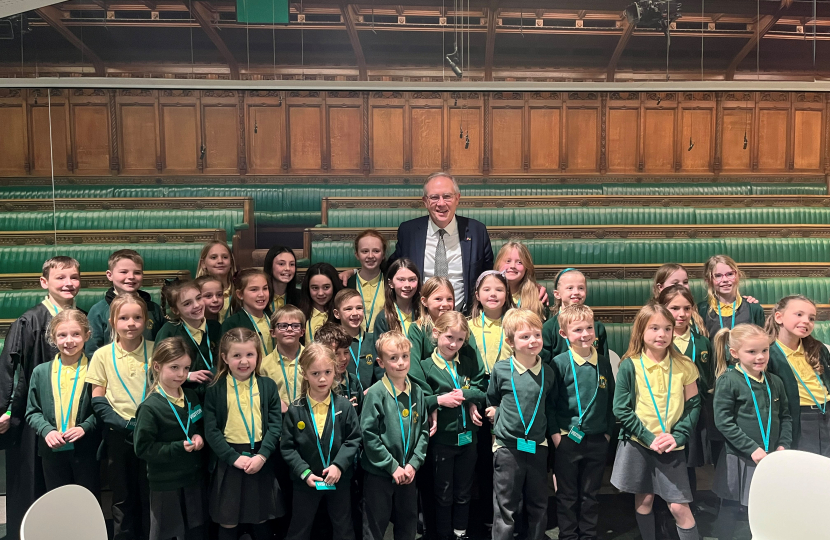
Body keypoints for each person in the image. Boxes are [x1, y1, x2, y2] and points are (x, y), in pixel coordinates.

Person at [0, 256, 81, 540]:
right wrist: (5, 410)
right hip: (35, 419)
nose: (68, 283)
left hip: (73, 420)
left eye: (73, 277)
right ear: (44, 282)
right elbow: (9, 368)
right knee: (31, 481)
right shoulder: (30, 320)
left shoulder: (78, 319)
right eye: (61, 278)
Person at [611, 304, 701, 540]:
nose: (661, 334)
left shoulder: (684, 365)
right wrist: (649, 438)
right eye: (654, 328)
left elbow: (693, 406)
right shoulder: (630, 364)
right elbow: (621, 408)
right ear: (641, 331)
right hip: (640, 443)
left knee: (679, 506)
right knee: (644, 498)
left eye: (667, 329)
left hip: (672, 445)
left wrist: (678, 436)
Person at [346, 172, 493, 312]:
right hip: (418, 316)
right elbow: (393, 267)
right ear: (425, 201)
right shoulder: (409, 231)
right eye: (434, 197)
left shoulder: (476, 231)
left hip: (463, 316)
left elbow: (488, 274)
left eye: (447, 196)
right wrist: (355, 272)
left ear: (457, 198)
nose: (441, 203)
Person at [711, 324, 792, 540]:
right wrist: (751, 448)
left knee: (765, 508)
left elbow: (785, 416)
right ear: (735, 353)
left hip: (771, 456)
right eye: (752, 352)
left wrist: (783, 445)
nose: (760, 357)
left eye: (764, 350)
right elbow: (724, 422)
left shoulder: (775, 382)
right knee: (731, 506)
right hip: (739, 457)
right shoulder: (728, 380)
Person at [203, 328, 283, 540]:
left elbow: (275, 425)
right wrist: (233, 458)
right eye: (236, 355)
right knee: (227, 519)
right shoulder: (215, 388)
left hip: (260, 458)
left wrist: (262, 455)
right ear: (224, 358)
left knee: (261, 517)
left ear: (258, 356)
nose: (244, 361)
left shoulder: (268, 386)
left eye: (250, 354)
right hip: (229, 460)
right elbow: (211, 430)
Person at [88, 293, 155, 540]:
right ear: (113, 321)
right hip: (118, 435)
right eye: (124, 318)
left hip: (150, 435)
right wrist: (123, 422)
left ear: (146, 321)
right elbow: (98, 397)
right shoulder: (102, 355)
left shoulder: (156, 350)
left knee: (150, 494)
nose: (131, 323)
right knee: (123, 496)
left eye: (137, 317)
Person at [487, 309, 557, 540]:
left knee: (538, 504)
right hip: (507, 448)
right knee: (505, 506)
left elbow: (550, 405)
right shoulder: (501, 370)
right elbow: (493, 399)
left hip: (537, 446)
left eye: (537, 335)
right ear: (510, 341)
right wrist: (495, 415)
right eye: (524, 336)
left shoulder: (548, 372)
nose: (533, 341)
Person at [280, 343, 362, 540]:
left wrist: (339, 466)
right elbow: (288, 447)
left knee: (343, 527)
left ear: (335, 370)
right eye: (315, 373)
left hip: (338, 479)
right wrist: (304, 472)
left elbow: (354, 439)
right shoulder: (295, 409)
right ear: (305, 374)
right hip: (306, 481)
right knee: (299, 528)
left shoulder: (344, 405)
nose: (323, 378)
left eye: (327, 371)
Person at [420, 311, 486, 540]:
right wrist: (440, 400)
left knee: (464, 492)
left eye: (459, 339)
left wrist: (467, 396)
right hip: (442, 441)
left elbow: (481, 390)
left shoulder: (466, 363)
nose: (454, 344)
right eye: (449, 337)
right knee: (443, 493)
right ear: (436, 334)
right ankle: (444, 533)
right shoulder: (426, 366)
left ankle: (460, 532)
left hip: (469, 439)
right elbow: (420, 400)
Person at [551, 305, 615, 540]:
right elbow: (551, 403)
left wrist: (608, 432)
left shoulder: (604, 363)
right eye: (577, 329)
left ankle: (588, 534)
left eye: (589, 327)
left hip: (598, 439)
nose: (585, 333)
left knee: (591, 493)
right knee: (567, 494)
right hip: (568, 438)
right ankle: (568, 535)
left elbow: (610, 401)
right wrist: (556, 434)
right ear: (564, 334)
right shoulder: (559, 363)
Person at [134, 337, 207, 540]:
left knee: (195, 531)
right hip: (166, 484)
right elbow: (143, 449)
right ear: (157, 366)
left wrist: (199, 436)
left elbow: (198, 424)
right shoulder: (150, 408)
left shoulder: (191, 397)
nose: (181, 374)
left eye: (186, 368)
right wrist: (178, 447)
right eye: (174, 367)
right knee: (168, 534)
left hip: (193, 479)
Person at [360, 331, 429, 540]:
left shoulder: (417, 391)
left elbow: (424, 432)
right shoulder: (375, 393)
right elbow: (369, 435)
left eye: (405, 356)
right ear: (381, 362)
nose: (401, 363)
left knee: (407, 523)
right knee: (374, 525)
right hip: (380, 474)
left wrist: (413, 464)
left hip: (408, 473)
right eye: (393, 358)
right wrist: (392, 466)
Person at [25, 309, 100, 494]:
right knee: (58, 502)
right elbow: (32, 411)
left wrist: (85, 426)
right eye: (62, 335)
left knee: (86, 500)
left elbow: (104, 408)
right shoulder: (40, 372)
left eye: (76, 334)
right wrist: (47, 430)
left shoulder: (96, 368)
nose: (69, 341)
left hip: (86, 450)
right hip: (52, 450)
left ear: (87, 335)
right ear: (53, 337)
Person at [466, 270, 514, 532]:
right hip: (478, 395)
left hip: (508, 398)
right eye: (487, 289)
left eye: (499, 289)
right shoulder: (469, 325)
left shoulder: (514, 323)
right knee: (483, 458)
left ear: (507, 295)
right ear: (477, 295)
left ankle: (508, 516)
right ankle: (486, 514)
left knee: (507, 459)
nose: (493, 294)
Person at [765, 295, 830, 456]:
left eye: (812, 318)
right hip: (800, 418)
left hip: (826, 413)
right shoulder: (768, 353)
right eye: (799, 314)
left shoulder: (818, 348)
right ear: (779, 317)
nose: (806, 321)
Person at [86, 249, 165, 357]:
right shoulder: (98, 311)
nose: (131, 276)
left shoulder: (153, 309)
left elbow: (162, 345)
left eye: (137, 272)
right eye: (124, 272)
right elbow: (92, 352)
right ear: (109, 275)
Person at [155, 279, 220, 396]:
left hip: (214, 394)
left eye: (199, 298)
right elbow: (156, 370)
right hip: (183, 397)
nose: (196, 305)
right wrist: (188, 375)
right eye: (187, 304)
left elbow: (224, 359)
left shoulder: (215, 327)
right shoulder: (169, 331)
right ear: (175, 310)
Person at [541, 268, 609, 365]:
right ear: (557, 294)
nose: (576, 292)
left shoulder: (597, 326)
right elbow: (544, 367)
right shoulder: (548, 328)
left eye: (581, 288)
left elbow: (604, 363)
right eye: (570, 288)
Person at [697, 255, 764, 339]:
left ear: (738, 275)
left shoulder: (753, 308)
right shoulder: (701, 310)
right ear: (708, 280)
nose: (725, 280)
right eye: (718, 276)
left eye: (730, 274)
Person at [333, 289, 380, 398]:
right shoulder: (332, 342)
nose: (355, 313)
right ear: (337, 313)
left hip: (371, 398)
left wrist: (374, 389)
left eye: (359, 308)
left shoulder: (374, 340)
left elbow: (382, 371)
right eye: (348, 309)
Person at [220, 269, 274, 359]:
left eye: (265, 288)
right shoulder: (232, 323)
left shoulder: (274, 318)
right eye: (254, 290)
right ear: (240, 294)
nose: (261, 294)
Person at [261, 305, 306, 412]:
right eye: (283, 326)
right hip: (278, 419)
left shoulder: (312, 359)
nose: (289, 329)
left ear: (302, 332)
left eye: (295, 326)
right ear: (273, 332)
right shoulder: (264, 365)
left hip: (310, 418)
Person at [346, 230, 387, 335]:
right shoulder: (346, 284)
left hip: (385, 342)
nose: (370, 256)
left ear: (383, 255)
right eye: (364, 251)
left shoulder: (390, 284)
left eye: (376, 251)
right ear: (357, 255)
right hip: (353, 343)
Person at [494, 241, 547, 321]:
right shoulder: (488, 293)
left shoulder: (537, 297)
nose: (512, 266)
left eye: (519, 262)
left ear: (527, 268)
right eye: (508, 261)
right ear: (498, 264)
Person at [373, 258, 421, 339]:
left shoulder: (424, 313)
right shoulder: (383, 318)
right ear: (390, 283)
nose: (407, 285)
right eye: (401, 280)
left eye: (412, 279)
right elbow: (379, 350)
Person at [299, 263, 342, 346]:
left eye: (326, 287)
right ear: (308, 288)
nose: (321, 293)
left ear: (334, 286)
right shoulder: (299, 315)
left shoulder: (342, 313)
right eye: (315, 288)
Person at [196, 240, 237, 323]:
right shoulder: (195, 291)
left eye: (225, 257)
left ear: (231, 263)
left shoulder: (239, 291)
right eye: (214, 257)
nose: (220, 261)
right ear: (203, 263)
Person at [263, 245, 301, 313]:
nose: (287, 268)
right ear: (270, 266)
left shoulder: (301, 297)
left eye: (292, 264)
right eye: (281, 264)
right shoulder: (261, 297)